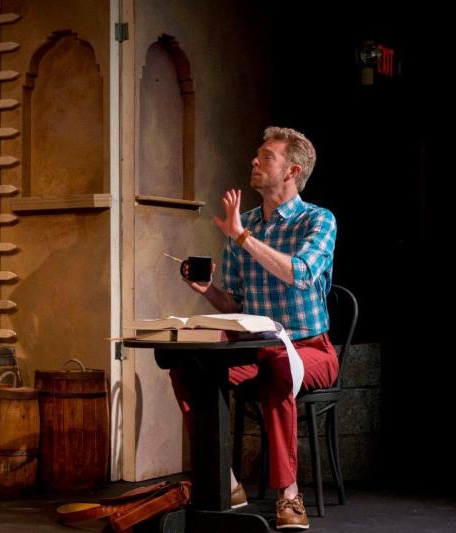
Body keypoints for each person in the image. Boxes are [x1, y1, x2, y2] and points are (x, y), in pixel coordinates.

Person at [173, 127, 338, 531]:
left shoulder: (318, 220)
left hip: (310, 349)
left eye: (266, 157)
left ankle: (289, 494)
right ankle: (224, 482)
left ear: (292, 170)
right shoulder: (243, 225)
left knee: (281, 366)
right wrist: (207, 290)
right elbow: (236, 305)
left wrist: (242, 238)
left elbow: (300, 273)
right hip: (254, 348)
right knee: (188, 367)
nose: (254, 161)